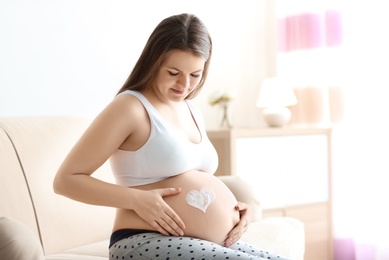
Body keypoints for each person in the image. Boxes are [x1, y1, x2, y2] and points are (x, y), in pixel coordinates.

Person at [53, 13, 288, 260]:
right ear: (154, 62)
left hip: (198, 241)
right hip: (142, 240)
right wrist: (136, 199)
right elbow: (66, 180)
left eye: (195, 75)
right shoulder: (130, 107)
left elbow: (193, 179)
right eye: (174, 72)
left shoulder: (191, 109)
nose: (185, 84)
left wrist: (236, 210)